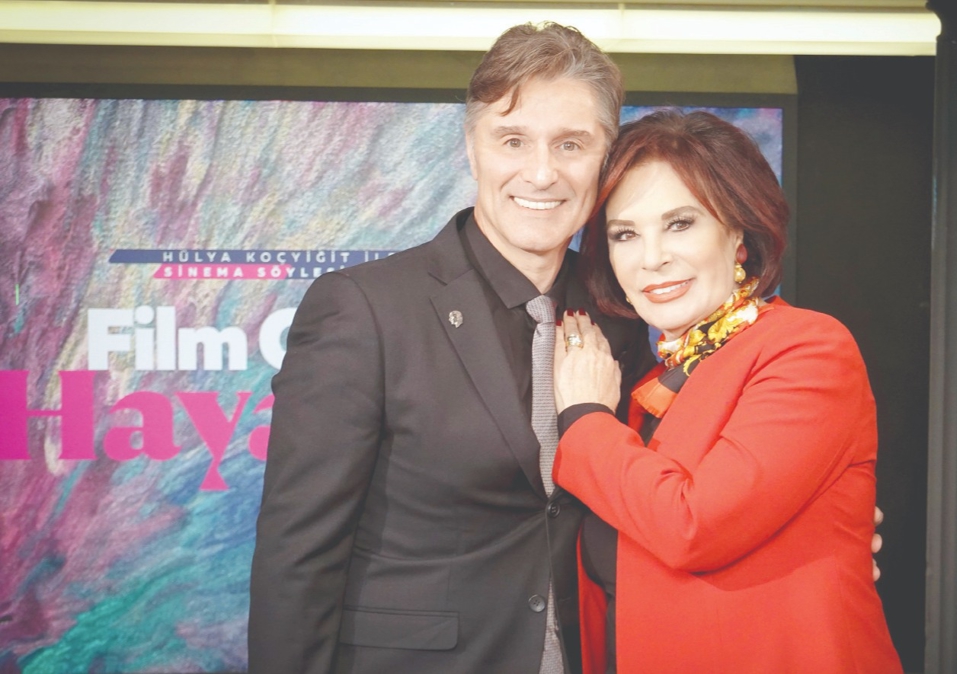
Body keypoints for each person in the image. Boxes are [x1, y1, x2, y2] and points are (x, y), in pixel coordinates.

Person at [247, 23, 654, 674]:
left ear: (606, 157)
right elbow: (297, 555)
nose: (542, 172)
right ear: (471, 148)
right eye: (512, 140)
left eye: (571, 144)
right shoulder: (364, 308)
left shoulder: (622, 312)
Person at [552, 110, 903, 673]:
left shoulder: (808, 349)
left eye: (680, 223)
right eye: (625, 234)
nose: (652, 257)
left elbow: (693, 527)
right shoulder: (650, 383)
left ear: (738, 234)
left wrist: (585, 417)